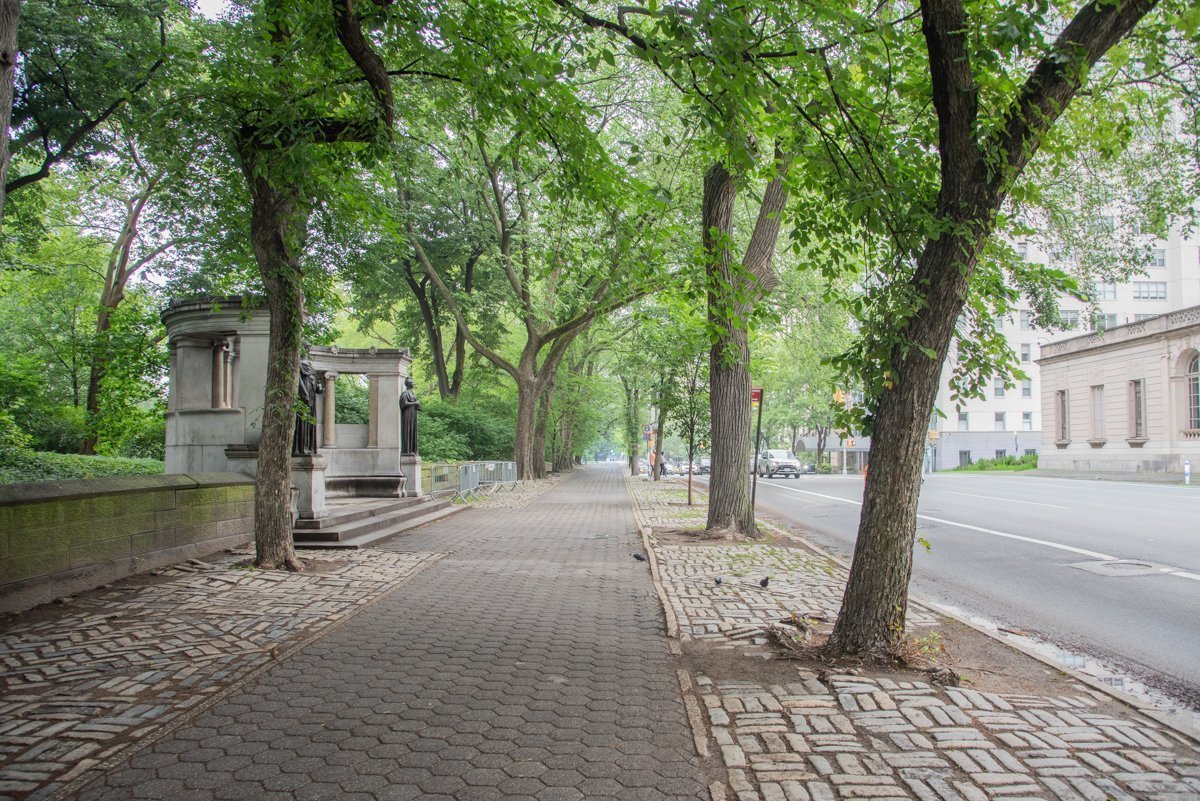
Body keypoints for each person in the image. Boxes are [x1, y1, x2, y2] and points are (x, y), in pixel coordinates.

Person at [293, 360, 320, 456]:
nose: (308, 349)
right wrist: (304, 393)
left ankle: (309, 447)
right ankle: (301, 448)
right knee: (302, 422)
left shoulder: (311, 365)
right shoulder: (299, 363)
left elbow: (315, 383)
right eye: (306, 346)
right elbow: (298, 380)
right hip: (304, 396)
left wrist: (318, 387)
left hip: (312, 397)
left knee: (309, 423)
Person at [400, 376, 421, 456]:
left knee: (413, 430)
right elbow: (404, 404)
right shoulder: (405, 393)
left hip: (413, 415)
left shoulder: (412, 393)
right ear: (408, 384)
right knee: (408, 430)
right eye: (412, 382)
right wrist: (415, 403)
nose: (413, 383)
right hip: (408, 415)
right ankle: (407, 450)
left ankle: (413, 450)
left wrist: (417, 405)